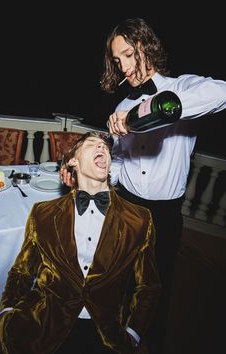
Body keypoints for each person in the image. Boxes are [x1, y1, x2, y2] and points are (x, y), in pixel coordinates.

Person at [61, 18, 226, 354]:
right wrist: (97, 172)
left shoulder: (182, 88)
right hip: (127, 205)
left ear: (145, 46)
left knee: (156, 285)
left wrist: (150, 109)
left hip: (164, 213)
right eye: (116, 60)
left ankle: (151, 342)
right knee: (117, 278)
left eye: (127, 54)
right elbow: (120, 164)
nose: (122, 65)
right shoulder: (121, 108)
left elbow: (222, 92)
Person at [0, 131, 161, 354]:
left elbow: (148, 285)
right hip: (45, 322)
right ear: (73, 161)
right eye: (93, 144)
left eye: (105, 146)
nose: (102, 148)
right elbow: (22, 272)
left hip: (107, 331)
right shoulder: (43, 214)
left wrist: (133, 332)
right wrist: (6, 311)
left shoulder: (139, 219)